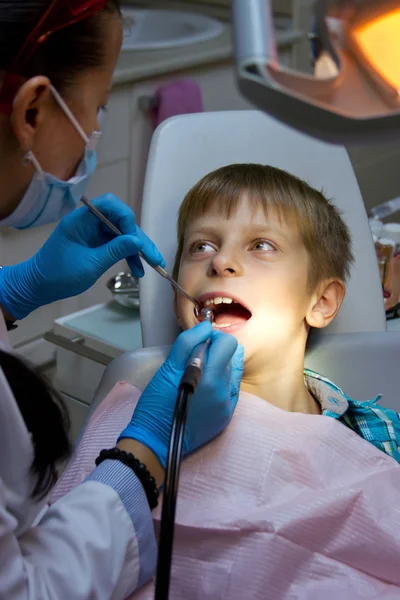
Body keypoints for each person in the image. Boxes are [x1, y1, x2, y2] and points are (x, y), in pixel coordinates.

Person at [53, 164, 400, 598]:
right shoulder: (133, 422)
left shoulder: (374, 434)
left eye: (262, 245)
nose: (220, 261)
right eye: (201, 245)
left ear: (322, 302)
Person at [0, 2, 244, 599]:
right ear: (32, 110)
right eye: (99, 104)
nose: (222, 264)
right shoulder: (123, 397)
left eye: (260, 245)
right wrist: (147, 450)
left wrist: (14, 290)